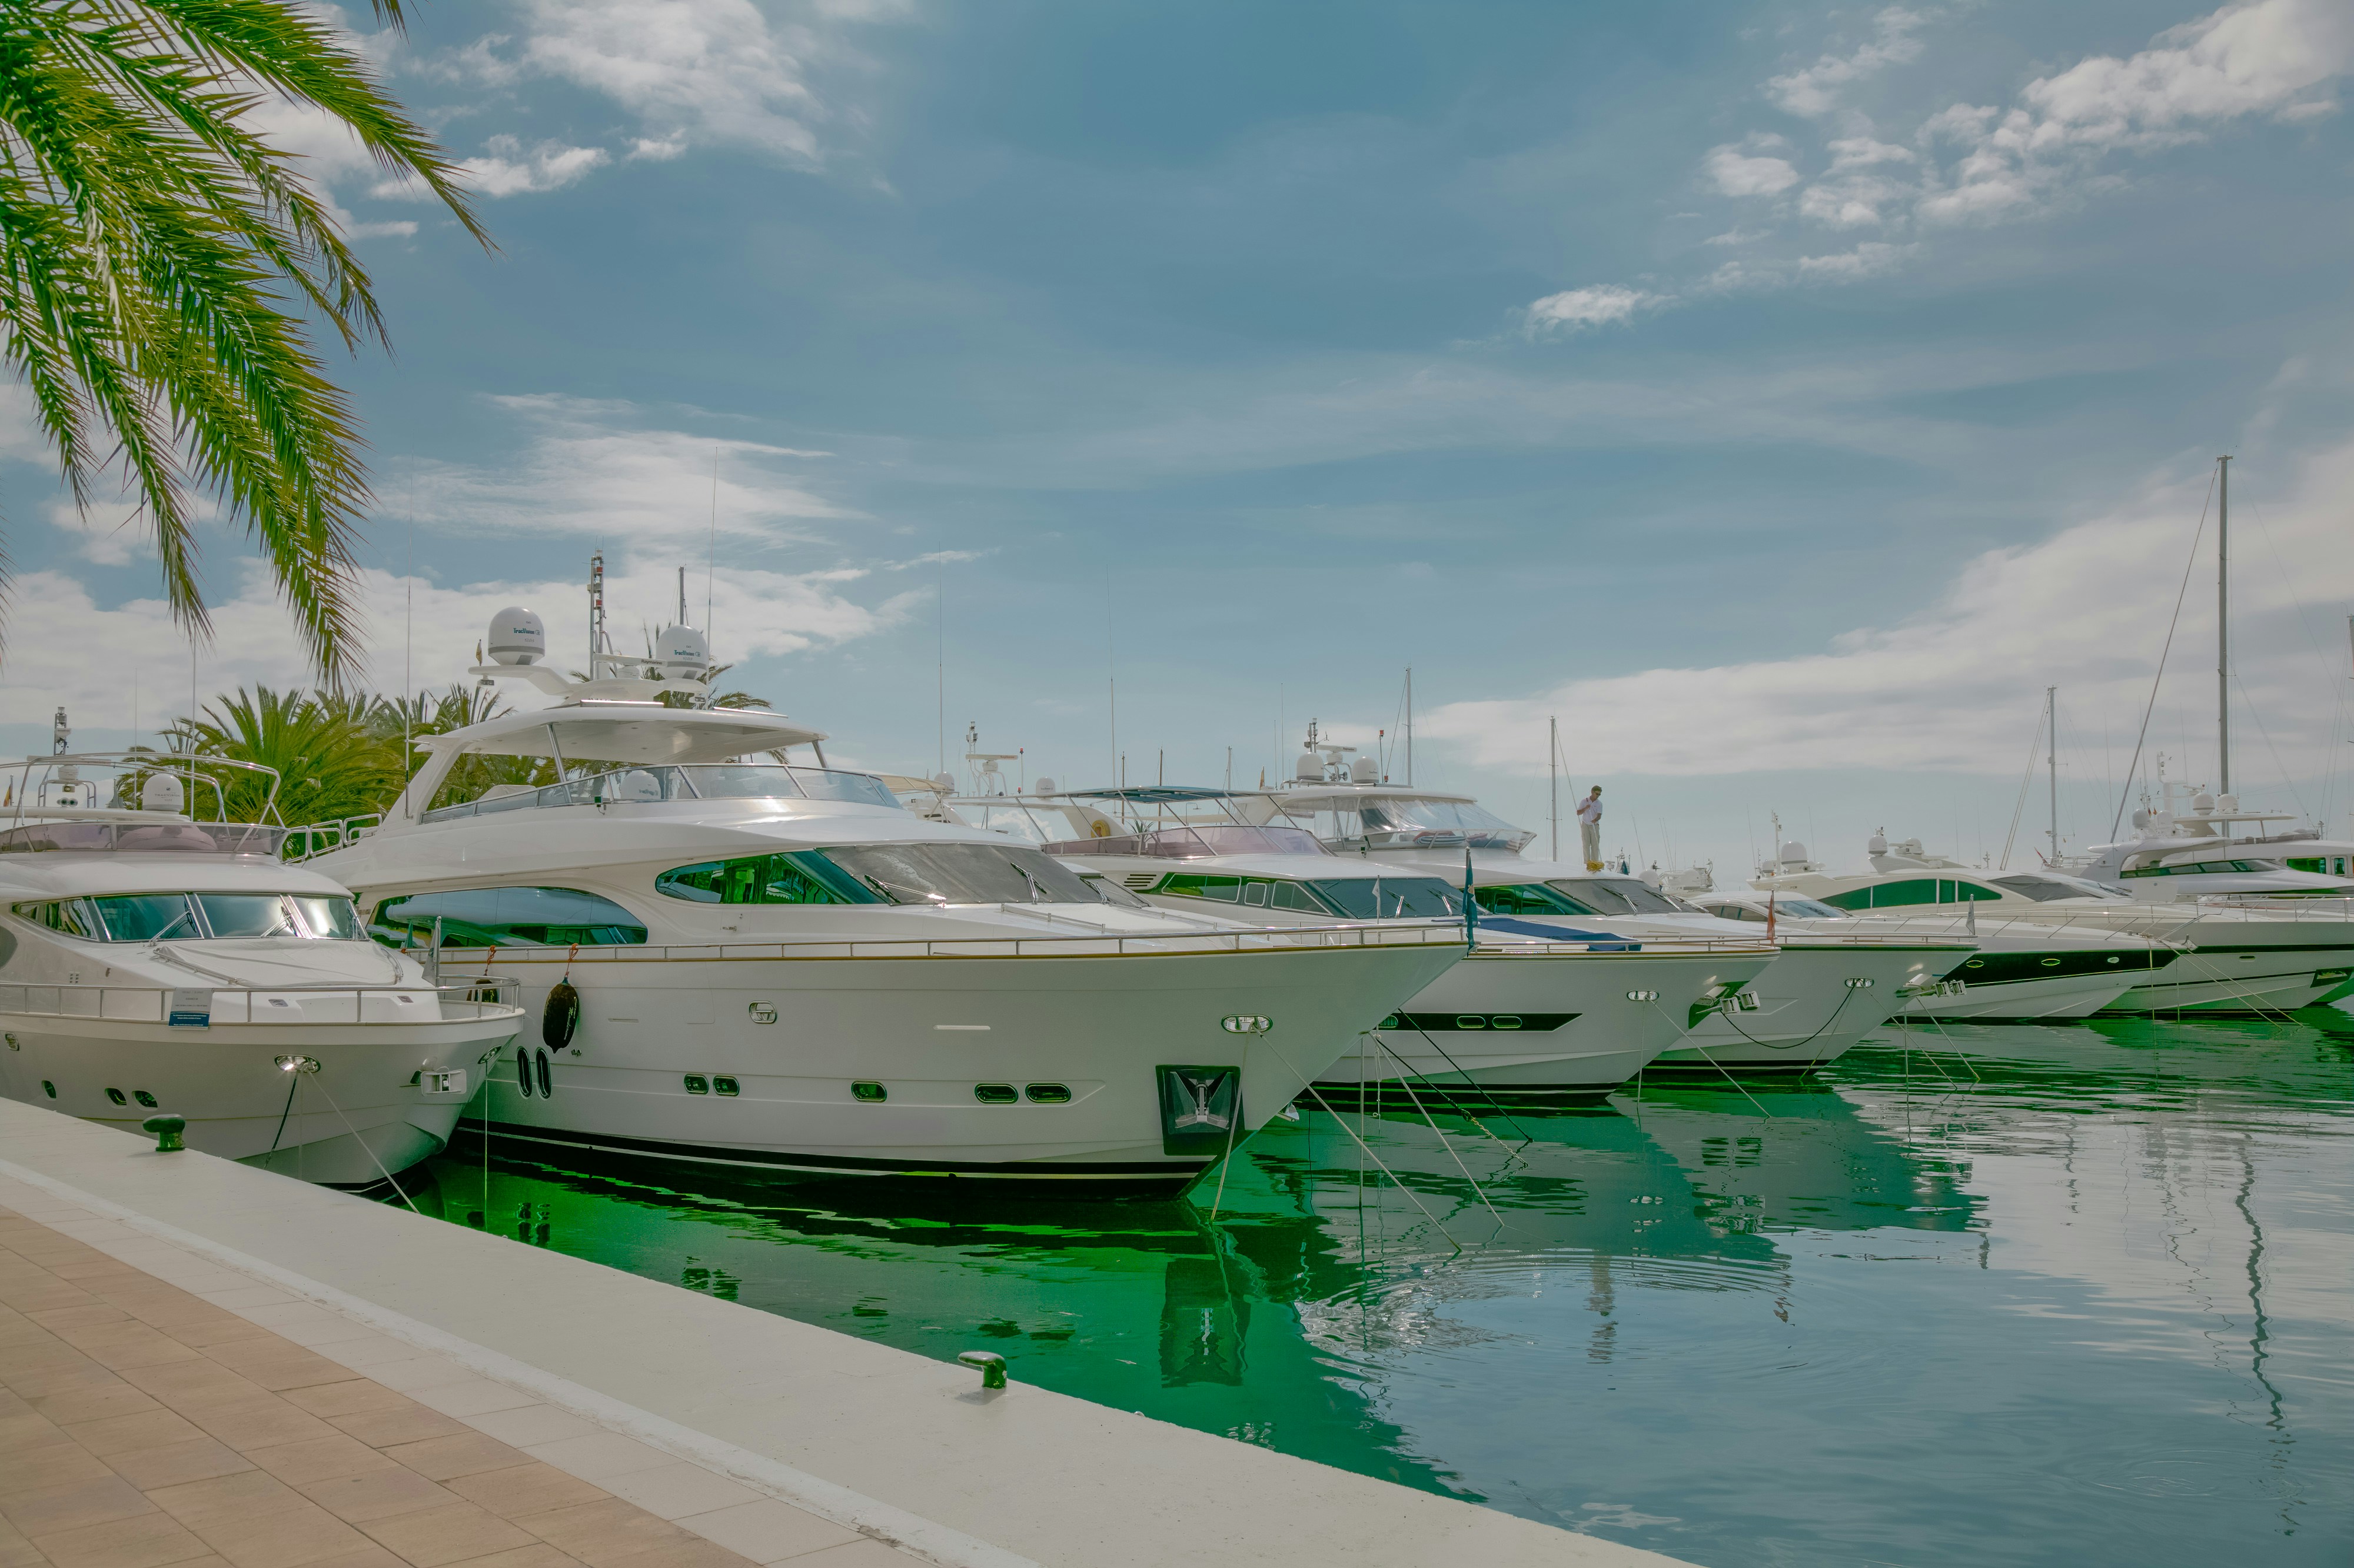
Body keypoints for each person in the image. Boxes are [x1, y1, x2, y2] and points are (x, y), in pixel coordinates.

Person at [1575, 785, 1604, 871]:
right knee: (1586, 844)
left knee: (1595, 845)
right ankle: (1587, 863)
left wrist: (1595, 820)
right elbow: (1578, 813)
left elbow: (1599, 816)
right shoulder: (1585, 801)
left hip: (1594, 825)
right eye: (1597, 794)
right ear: (1592, 792)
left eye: (1599, 794)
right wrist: (1586, 808)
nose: (1598, 796)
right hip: (1585, 825)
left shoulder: (1599, 804)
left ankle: (1595, 863)